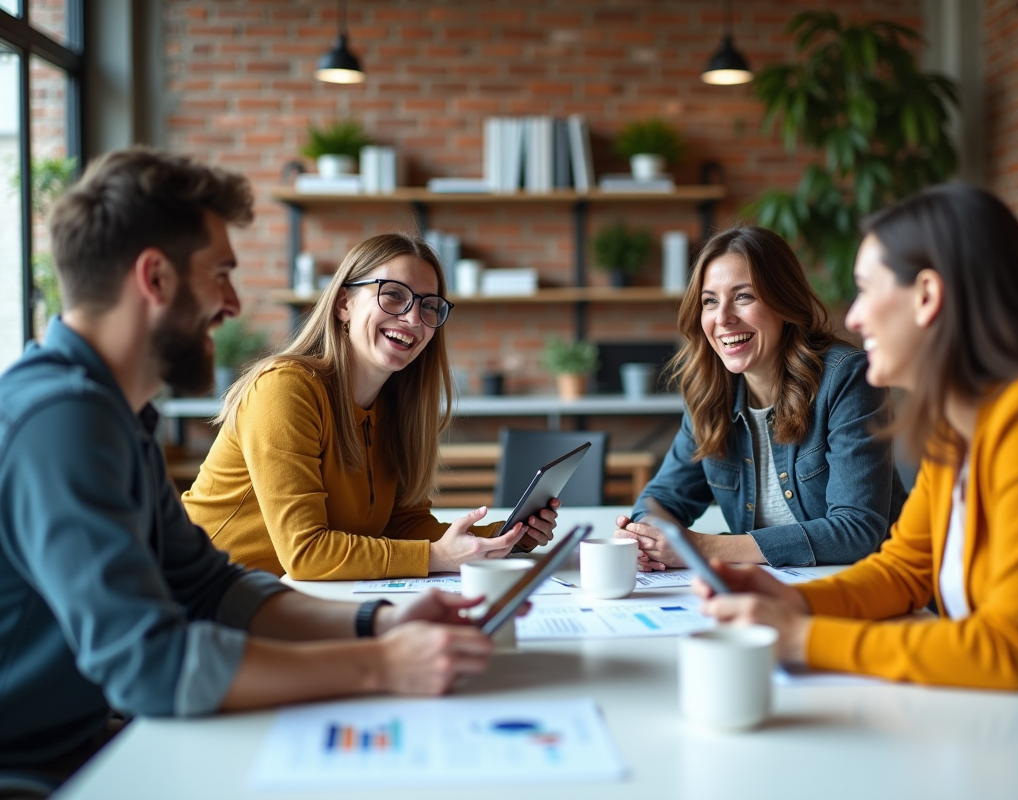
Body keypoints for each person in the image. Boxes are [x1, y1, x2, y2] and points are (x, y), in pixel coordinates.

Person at [0, 149, 497, 785]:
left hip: (92, 735)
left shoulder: (114, 415)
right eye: (221, 274)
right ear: (155, 278)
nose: (233, 303)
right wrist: (381, 665)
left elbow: (211, 587)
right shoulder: (62, 421)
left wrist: (380, 623)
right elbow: (153, 666)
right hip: (34, 767)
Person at [696, 185, 1018, 786]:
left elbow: (1010, 652)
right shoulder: (959, 425)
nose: (852, 316)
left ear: (928, 296)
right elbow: (904, 571)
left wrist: (803, 639)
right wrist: (795, 602)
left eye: (867, 289)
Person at [182, 233, 558, 580]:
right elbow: (306, 553)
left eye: (429, 306)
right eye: (392, 295)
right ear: (344, 303)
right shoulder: (285, 389)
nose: (413, 318)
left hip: (277, 596)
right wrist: (436, 557)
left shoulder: (396, 409)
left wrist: (505, 537)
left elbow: (404, 525)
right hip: (198, 595)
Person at [615, 225, 906, 569]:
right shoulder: (709, 393)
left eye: (743, 297)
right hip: (767, 586)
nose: (723, 318)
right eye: (710, 301)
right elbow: (662, 498)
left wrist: (701, 547)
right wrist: (645, 536)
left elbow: (856, 530)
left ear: (783, 301)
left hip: (868, 583)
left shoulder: (846, 377)